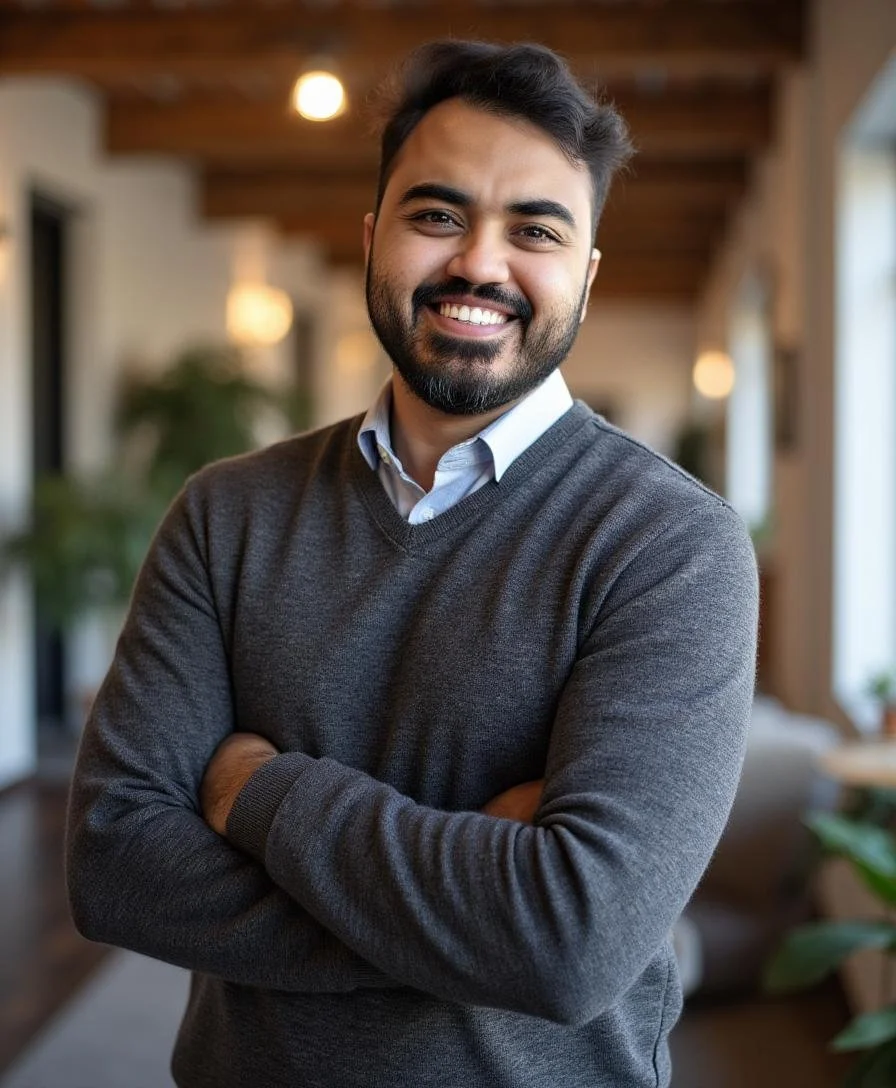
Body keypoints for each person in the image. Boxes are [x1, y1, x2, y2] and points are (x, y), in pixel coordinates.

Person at [66, 39, 759, 1088]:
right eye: (436, 215)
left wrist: (256, 789)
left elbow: (568, 943)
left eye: (534, 230)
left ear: (585, 272)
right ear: (372, 237)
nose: (479, 263)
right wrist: (471, 916)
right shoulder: (225, 512)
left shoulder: (670, 545)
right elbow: (115, 861)